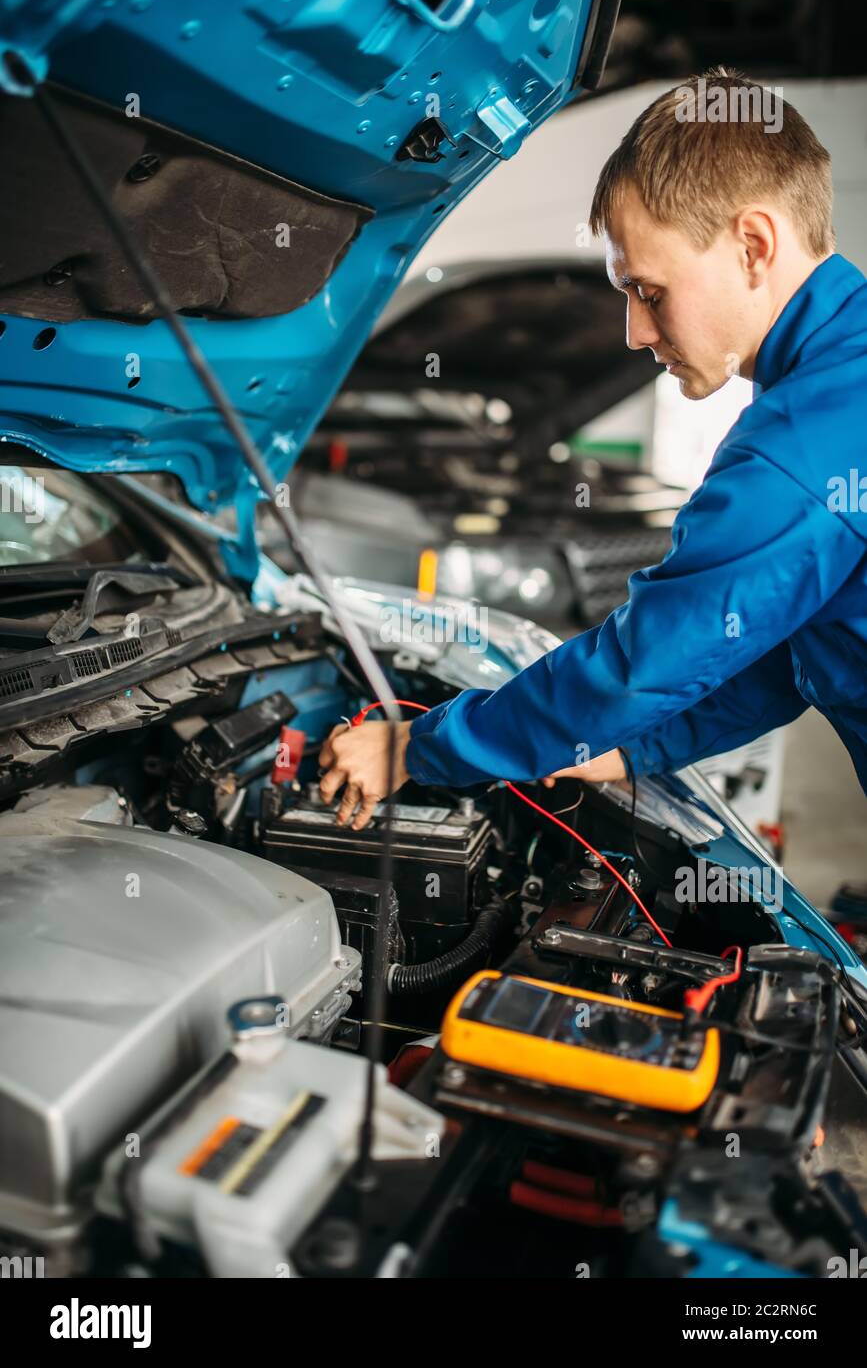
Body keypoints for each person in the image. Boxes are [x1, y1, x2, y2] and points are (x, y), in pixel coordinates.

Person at [319, 68, 867, 832]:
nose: (636, 333)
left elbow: (639, 666)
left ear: (751, 245)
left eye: (647, 290)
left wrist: (414, 749)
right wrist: (631, 745)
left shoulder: (804, 442)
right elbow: (782, 657)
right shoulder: (842, 383)